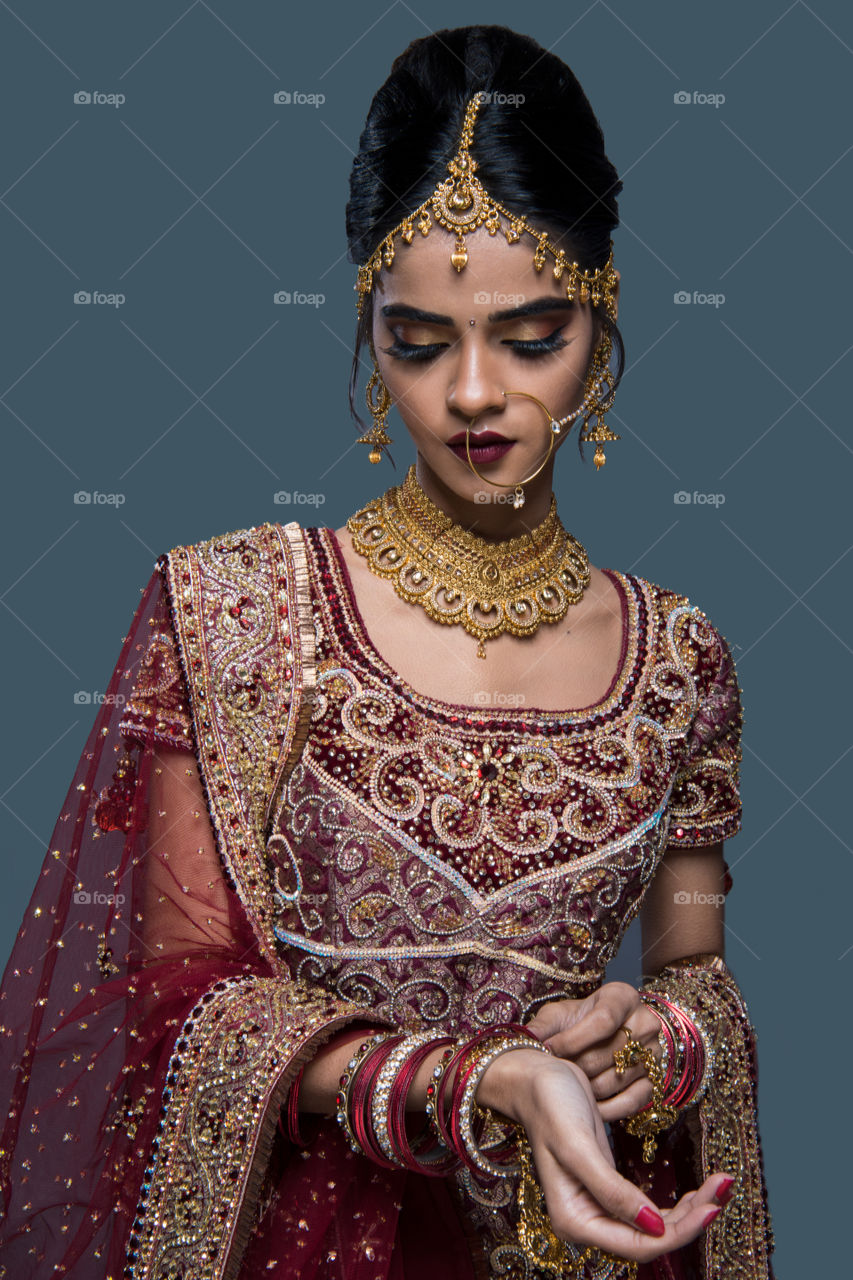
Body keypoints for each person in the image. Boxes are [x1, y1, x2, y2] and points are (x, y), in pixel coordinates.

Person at [0, 24, 775, 1280]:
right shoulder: (238, 609)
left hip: (580, 1239)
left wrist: (653, 1041)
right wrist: (470, 1078)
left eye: (531, 338)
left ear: (604, 318)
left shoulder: (680, 655)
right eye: (420, 342)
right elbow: (179, 1004)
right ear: (370, 333)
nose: (473, 393)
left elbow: (698, 975)